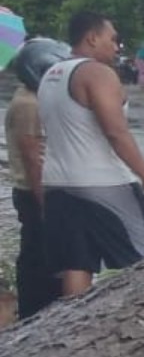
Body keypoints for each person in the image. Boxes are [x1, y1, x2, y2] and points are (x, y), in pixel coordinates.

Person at [38, 12, 144, 298]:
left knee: (76, 264)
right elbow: (116, 132)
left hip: (58, 184)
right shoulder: (97, 73)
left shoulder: (51, 75)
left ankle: (73, 334)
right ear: (92, 38)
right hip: (104, 184)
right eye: (113, 39)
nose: (117, 46)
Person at [6, 38, 69, 319]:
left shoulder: (31, 98)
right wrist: (47, 205)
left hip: (37, 189)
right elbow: (34, 160)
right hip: (35, 192)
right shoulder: (28, 104)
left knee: (42, 256)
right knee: (40, 260)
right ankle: (35, 315)